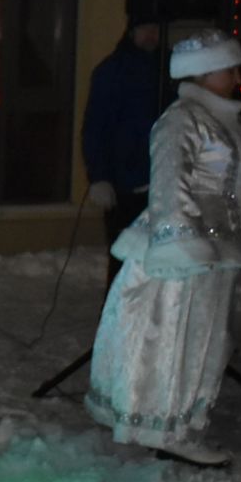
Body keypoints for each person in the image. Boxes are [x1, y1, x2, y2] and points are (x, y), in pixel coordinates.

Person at [86, 28, 241, 469]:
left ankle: (180, 423)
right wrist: (182, 245)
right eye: (228, 68)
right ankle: (170, 429)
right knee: (176, 339)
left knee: (205, 340)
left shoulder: (220, 119)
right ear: (202, 72)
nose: (237, 76)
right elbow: (168, 183)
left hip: (220, 250)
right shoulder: (183, 119)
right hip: (187, 254)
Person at [82, 19, 163, 284]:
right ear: (131, 32)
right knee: (123, 258)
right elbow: (95, 126)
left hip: (158, 180)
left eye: (155, 30)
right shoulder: (112, 71)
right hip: (123, 184)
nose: (151, 35)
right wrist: (99, 177)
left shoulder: (163, 71)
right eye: (145, 29)